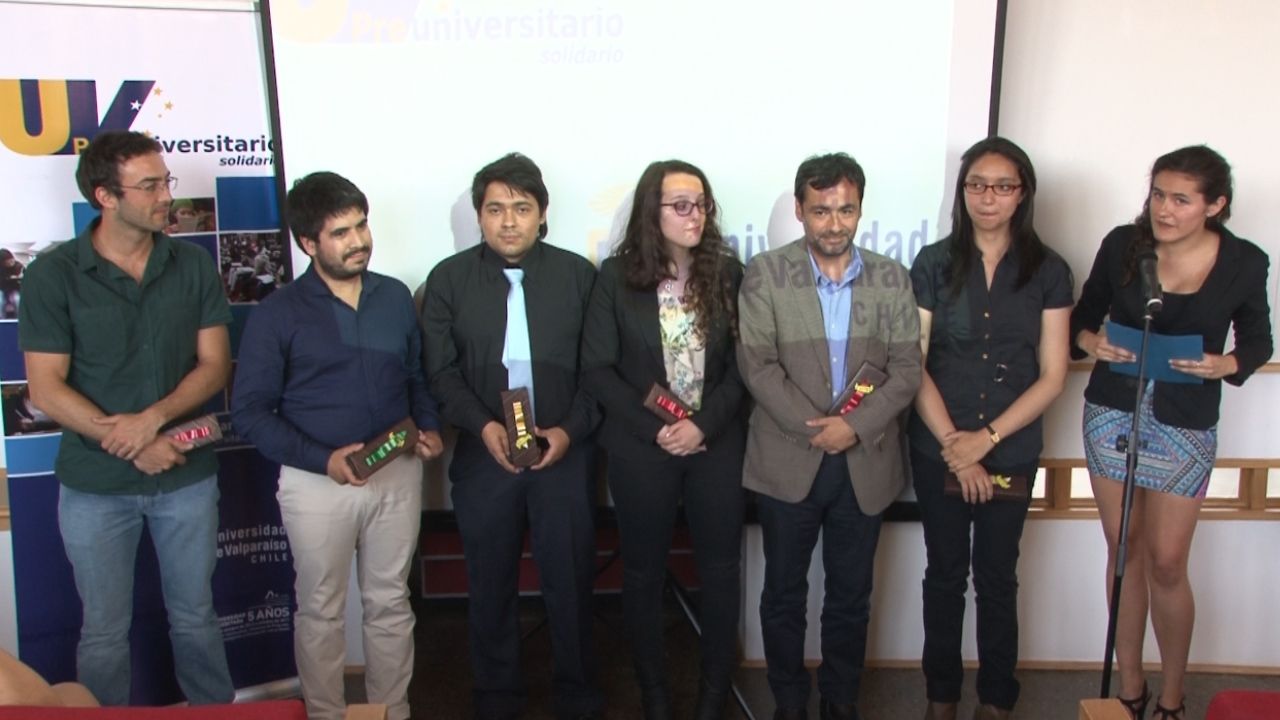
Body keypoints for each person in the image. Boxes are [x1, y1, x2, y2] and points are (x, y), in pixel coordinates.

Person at [17, 130, 234, 705]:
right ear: (106, 196)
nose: (167, 196)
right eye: (150, 186)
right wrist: (135, 442)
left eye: (166, 182)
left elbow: (215, 366)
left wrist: (152, 419)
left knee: (196, 617)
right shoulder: (53, 275)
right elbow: (46, 387)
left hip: (185, 477)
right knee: (103, 632)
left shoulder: (192, 265)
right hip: (95, 486)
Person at [230, 172, 441, 720]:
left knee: (390, 602)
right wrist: (323, 459)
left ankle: (392, 711)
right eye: (341, 233)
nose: (359, 241)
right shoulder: (278, 313)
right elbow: (249, 412)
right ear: (308, 243)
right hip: (317, 483)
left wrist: (429, 425)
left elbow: (415, 375)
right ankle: (325, 714)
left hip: (397, 472)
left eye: (361, 226)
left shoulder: (394, 296)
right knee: (321, 610)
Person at [1071, 146, 1272, 720]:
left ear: (1215, 205)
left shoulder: (1244, 262)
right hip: (1114, 410)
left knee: (1166, 561)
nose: (1164, 208)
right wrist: (1091, 342)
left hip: (1185, 421)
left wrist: (1223, 364)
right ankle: (1130, 687)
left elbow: (1258, 342)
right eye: (1158, 194)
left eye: (1181, 199)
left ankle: (1173, 695)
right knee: (1124, 549)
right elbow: (1082, 318)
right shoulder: (1123, 245)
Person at [737, 153, 922, 720]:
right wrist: (820, 430)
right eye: (821, 211)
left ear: (860, 209)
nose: (834, 224)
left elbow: (906, 370)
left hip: (865, 462)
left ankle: (841, 702)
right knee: (783, 596)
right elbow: (757, 367)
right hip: (788, 460)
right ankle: (789, 703)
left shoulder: (891, 277)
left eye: (846, 210)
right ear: (800, 210)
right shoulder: (766, 274)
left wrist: (853, 427)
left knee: (850, 597)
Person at [421, 153, 603, 720]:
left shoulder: (579, 276)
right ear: (479, 215)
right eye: (495, 208)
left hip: (565, 455)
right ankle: (497, 696)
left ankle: (577, 694)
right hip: (484, 455)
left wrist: (568, 432)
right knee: (489, 583)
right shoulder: (448, 280)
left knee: (570, 582)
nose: (508, 221)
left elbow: (600, 371)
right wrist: (484, 426)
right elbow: (440, 373)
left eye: (521, 208)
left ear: (542, 214)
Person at [907, 137, 1073, 720]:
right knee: (944, 574)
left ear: (1022, 194)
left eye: (1002, 187)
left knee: (997, 577)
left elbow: (1054, 375)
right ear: (963, 192)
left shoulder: (1049, 270)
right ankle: (941, 698)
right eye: (976, 185)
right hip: (938, 447)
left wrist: (987, 441)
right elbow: (914, 364)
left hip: (1011, 448)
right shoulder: (932, 263)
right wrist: (958, 448)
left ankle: (997, 700)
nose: (987, 197)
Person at [581, 160, 747, 720]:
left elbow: (744, 368)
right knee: (642, 573)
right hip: (641, 447)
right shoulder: (616, 276)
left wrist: (702, 425)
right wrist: (659, 430)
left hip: (715, 444)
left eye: (701, 204)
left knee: (721, 571)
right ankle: (653, 694)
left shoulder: (728, 273)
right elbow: (598, 369)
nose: (694, 215)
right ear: (652, 213)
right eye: (680, 205)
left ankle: (713, 693)